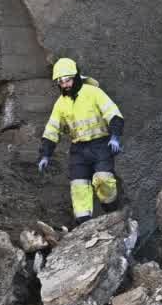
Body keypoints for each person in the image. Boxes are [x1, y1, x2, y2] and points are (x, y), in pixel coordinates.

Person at [38, 57, 125, 225]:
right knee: (78, 187)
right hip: (78, 150)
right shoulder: (61, 104)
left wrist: (115, 137)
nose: (65, 85)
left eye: (68, 80)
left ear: (76, 77)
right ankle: (84, 225)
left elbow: (113, 114)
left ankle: (113, 212)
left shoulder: (93, 93)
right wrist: (45, 155)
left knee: (103, 179)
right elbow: (51, 130)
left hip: (101, 145)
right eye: (61, 82)